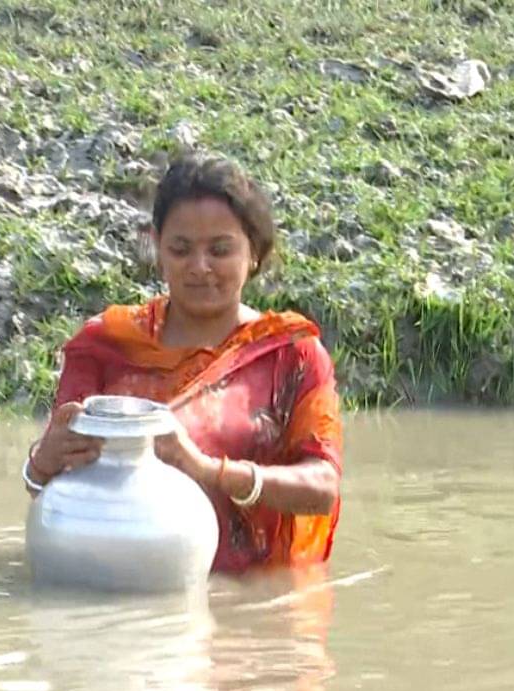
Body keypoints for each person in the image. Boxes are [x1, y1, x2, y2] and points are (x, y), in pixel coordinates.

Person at [22, 153, 343, 574]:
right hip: (120, 584)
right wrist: (41, 462)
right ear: (158, 248)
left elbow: (323, 486)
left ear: (255, 252)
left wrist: (210, 471)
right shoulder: (106, 344)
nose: (200, 267)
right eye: (181, 249)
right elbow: (58, 482)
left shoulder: (290, 354)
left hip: (247, 597)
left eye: (220, 249)